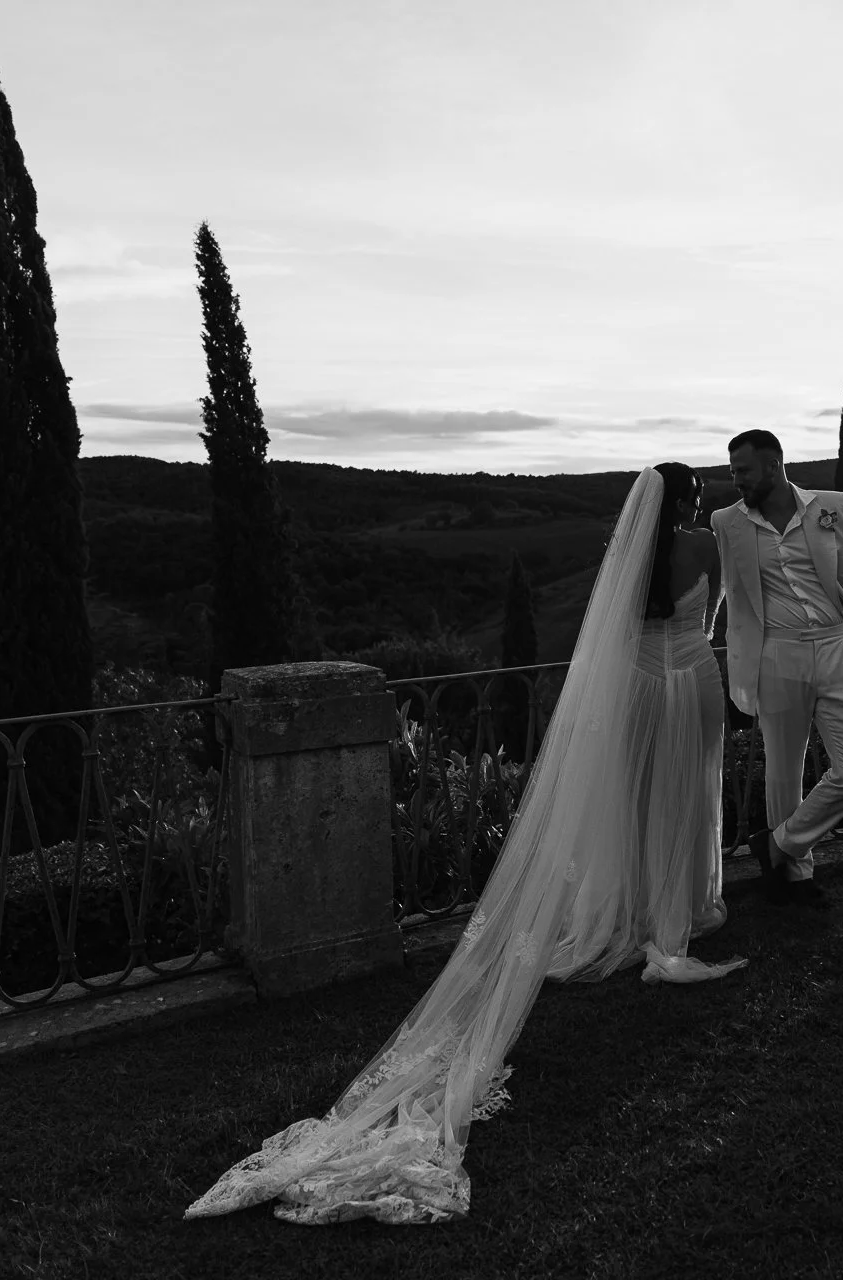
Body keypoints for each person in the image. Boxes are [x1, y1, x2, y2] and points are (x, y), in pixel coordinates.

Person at [185, 463, 745, 1227]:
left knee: (636, 802)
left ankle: (637, 910)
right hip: (694, 681)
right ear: (689, 502)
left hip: (640, 690)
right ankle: (674, 912)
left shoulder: (627, 559)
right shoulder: (704, 545)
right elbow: (715, 621)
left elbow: (612, 642)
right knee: (687, 797)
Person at [711, 430, 843, 908]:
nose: (735, 480)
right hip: (776, 654)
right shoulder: (727, 522)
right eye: (731, 471)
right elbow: (718, 588)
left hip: (839, 648)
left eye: (742, 470)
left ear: (773, 465)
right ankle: (795, 877)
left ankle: (780, 844)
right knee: (783, 772)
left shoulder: (833, 505)